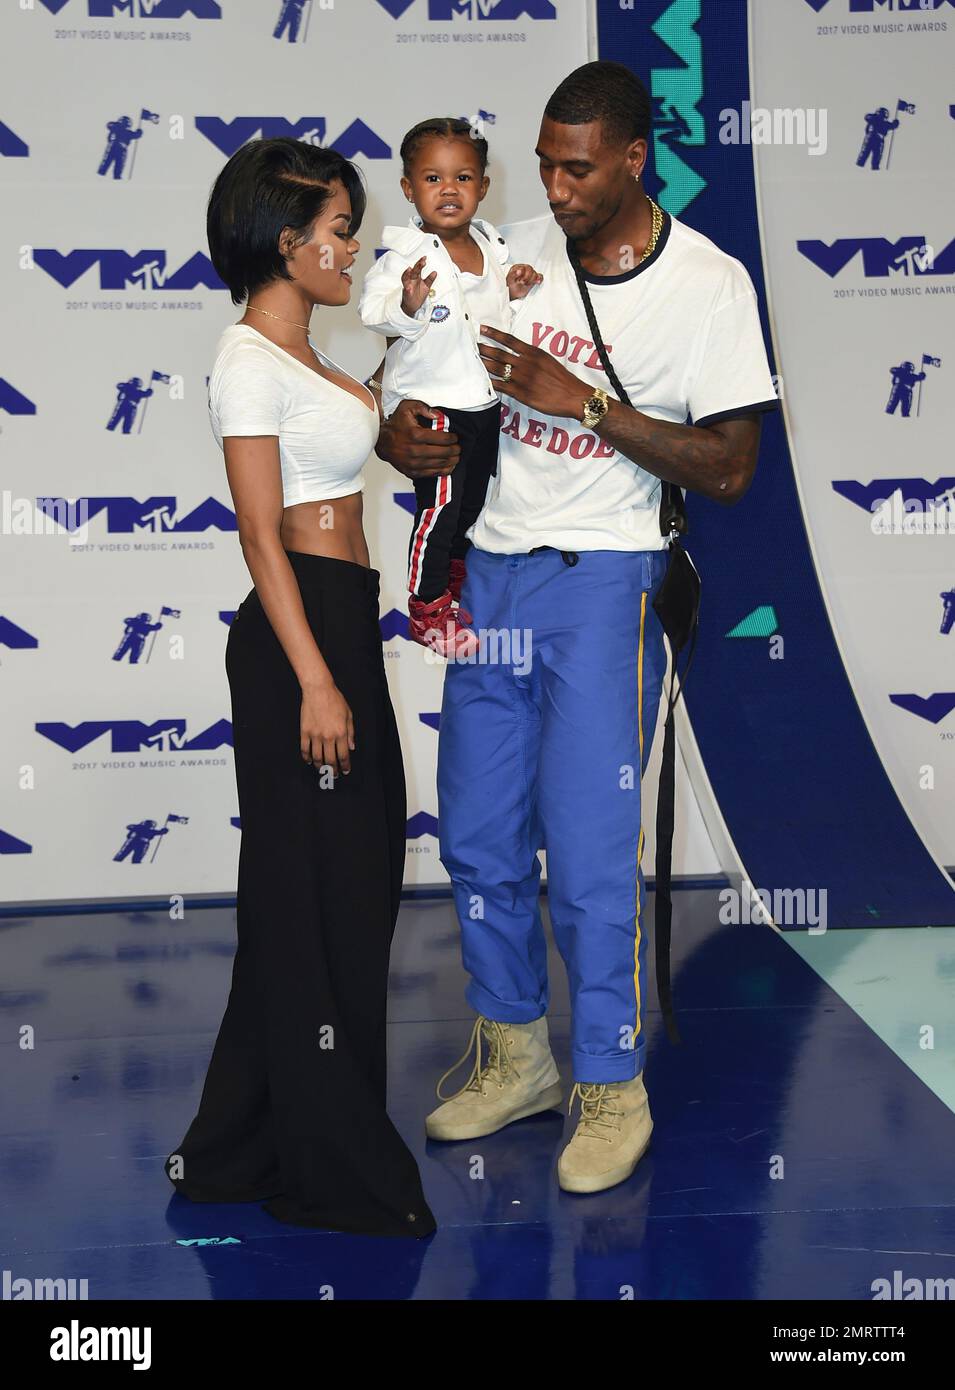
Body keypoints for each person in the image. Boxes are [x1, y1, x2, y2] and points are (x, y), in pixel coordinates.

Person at [374, 61, 778, 1196]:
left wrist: (584, 402)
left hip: (608, 584)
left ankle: (611, 1081)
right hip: (488, 581)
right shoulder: (511, 256)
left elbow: (733, 466)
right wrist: (403, 438)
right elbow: (416, 379)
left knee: (593, 858)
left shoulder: (706, 284)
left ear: (634, 161)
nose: (551, 186)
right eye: (544, 162)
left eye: (576, 168)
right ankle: (516, 1057)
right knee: (477, 836)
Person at [163, 137, 435, 1239]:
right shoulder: (245, 359)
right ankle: (332, 1168)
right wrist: (318, 680)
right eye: (339, 228)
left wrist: (410, 350)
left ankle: (239, 1141)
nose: (355, 244)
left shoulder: (320, 360)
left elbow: (358, 449)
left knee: (335, 891)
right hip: (296, 643)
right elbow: (261, 532)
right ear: (287, 242)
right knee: (319, 898)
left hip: (340, 626)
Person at [358, 117, 541, 658]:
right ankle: (427, 604)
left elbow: (493, 316)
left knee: (470, 505)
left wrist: (513, 289)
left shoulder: (492, 251)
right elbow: (374, 312)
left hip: (484, 405)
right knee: (440, 507)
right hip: (433, 407)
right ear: (408, 188)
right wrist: (406, 305)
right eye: (433, 178)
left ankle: (455, 581)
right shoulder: (404, 259)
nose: (448, 190)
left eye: (463, 178)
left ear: (483, 188)